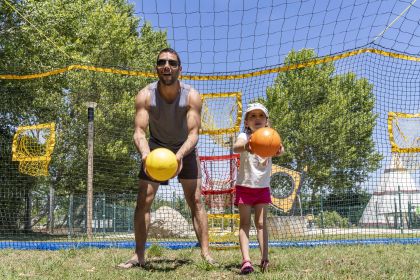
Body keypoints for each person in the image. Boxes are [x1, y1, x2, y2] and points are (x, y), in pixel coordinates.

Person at [118, 48, 215, 268]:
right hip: (155, 148)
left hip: (185, 149)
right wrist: (145, 155)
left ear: (180, 69)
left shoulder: (191, 95)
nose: (167, 66)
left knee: (196, 201)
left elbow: (193, 134)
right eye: (162, 62)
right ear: (156, 68)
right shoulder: (145, 95)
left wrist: (179, 156)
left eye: (172, 63)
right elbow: (139, 132)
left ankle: (206, 254)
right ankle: (138, 255)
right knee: (143, 200)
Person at [232, 102, 284, 274]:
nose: (257, 119)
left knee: (261, 224)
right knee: (245, 223)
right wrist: (247, 146)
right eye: (252, 116)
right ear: (246, 122)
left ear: (267, 121)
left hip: (262, 188)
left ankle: (265, 259)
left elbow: (280, 149)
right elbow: (235, 147)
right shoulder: (244, 136)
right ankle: (246, 261)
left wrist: (279, 150)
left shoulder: (271, 136)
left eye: (261, 115)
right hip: (245, 187)